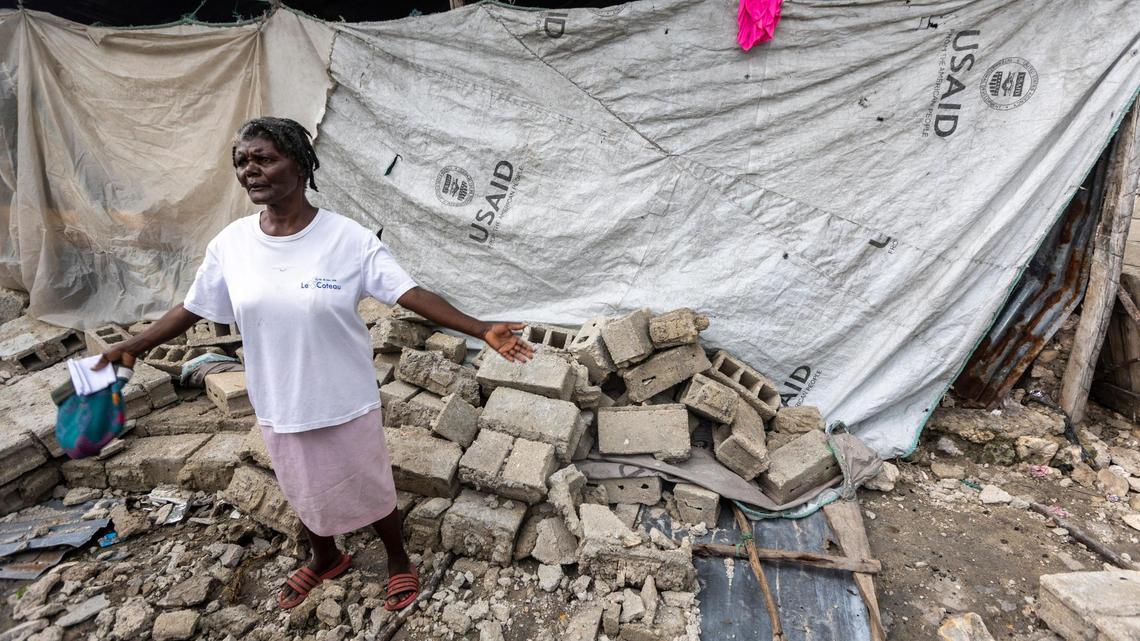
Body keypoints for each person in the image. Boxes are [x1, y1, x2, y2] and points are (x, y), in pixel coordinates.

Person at [96, 116, 533, 612]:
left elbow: (408, 292)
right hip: (278, 396)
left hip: (343, 395)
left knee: (369, 484)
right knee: (301, 486)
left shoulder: (346, 239)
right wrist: (134, 345)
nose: (250, 170)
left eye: (264, 158)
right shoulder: (232, 245)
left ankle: (397, 560)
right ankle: (325, 557)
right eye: (242, 161)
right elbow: (192, 308)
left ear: (301, 165)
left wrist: (478, 328)